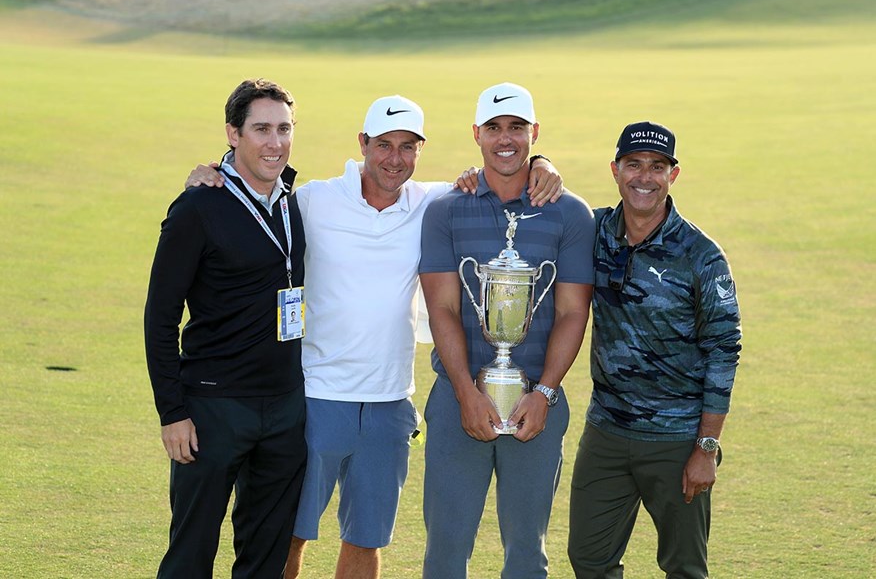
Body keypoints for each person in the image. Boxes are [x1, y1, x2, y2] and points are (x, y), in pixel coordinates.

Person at [183, 94, 565, 579]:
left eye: (408, 147)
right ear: (362, 143)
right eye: (383, 144)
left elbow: (497, 175)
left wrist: (541, 163)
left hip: (389, 404)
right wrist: (209, 172)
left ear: (420, 150)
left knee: (366, 539)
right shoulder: (314, 199)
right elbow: (250, 186)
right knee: (288, 535)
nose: (394, 158)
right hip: (315, 397)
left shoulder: (433, 202)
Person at [418, 82, 595, 579]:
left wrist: (543, 391)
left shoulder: (571, 213)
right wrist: (464, 394)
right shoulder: (446, 209)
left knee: (526, 556)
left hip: (536, 406)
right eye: (493, 128)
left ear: (535, 133)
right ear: (476, 133)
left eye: (517, 127)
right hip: (457, 403)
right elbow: (443, 309)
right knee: (446, 554)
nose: (505, 139)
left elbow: (572, 314)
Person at [144, 78, 308, 578]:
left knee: (265, 559)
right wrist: (172, 412)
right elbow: (160, 315)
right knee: (190, 557)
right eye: (261, 129)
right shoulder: (197, 206)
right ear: (233, 134)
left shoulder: (296, 202)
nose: (274, 142)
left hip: (285, 409)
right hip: (213, 409)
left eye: (284, 129)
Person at [567, 121, 742, 578]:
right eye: (634, 164)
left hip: (677, 439)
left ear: (673, 175)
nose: (644, 177)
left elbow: (725, 350)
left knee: (684, 568)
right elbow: (542, 209)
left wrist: (707, 447)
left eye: (657, 167)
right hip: (605, 432)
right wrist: (540, 163)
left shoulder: (701, 256)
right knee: (589, 560)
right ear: (615, 169)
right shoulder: (596, 231)